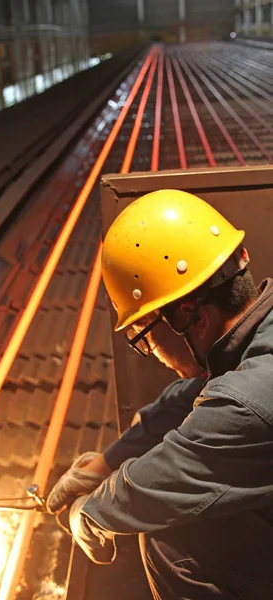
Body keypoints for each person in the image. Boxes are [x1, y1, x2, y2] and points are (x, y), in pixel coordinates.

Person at [47, 190, 273, 600]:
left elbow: (151, 490)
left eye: (146, 336)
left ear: (190, 315)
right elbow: (188, 398)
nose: (152, 353)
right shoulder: (260, 343)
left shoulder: (248, 402)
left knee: (175, 539)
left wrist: (89, 514)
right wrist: (101, 465)